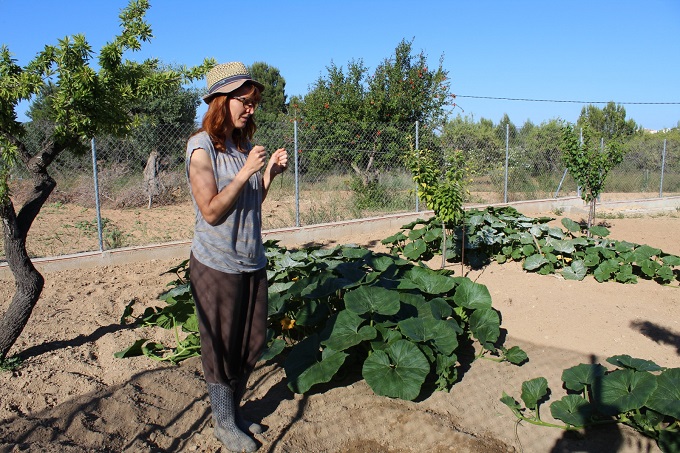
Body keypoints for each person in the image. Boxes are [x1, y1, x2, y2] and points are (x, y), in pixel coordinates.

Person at [185, 61, 287, 452]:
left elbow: (250, 201)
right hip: (215, 264)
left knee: (252, 341)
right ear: (220, 102)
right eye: (244, 101)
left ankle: (236, 413)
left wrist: (268, 175)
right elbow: (210, 210)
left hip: (251, 258)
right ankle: (224, 422)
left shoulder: (242, 147)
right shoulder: (202, 148)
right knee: (221, 347)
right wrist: (246, 172)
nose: (251, 109)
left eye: (254, 102)